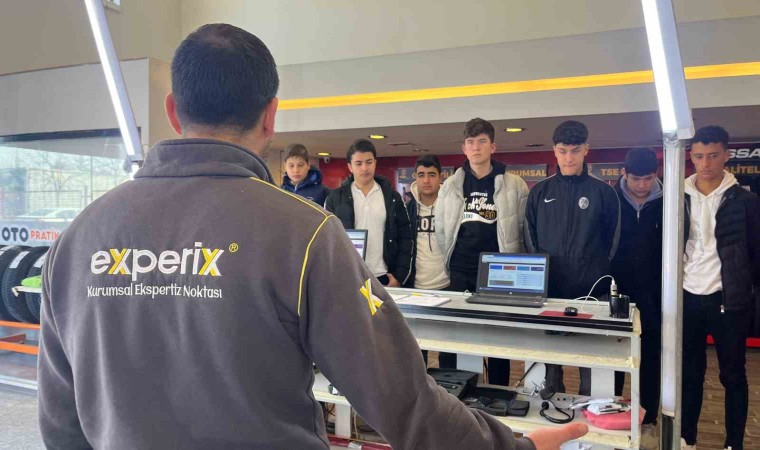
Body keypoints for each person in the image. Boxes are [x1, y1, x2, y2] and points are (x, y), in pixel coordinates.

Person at [37, 23, 587, 450]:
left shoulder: (77, 239)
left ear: (173, 111)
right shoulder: (304, 234)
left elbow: (61, 423)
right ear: (271, 116)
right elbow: (403, 400)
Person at [525, 120, 620, 395]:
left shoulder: (603, 193)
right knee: (548, 372)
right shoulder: (539, 192)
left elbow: (612, 242)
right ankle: (550, 412)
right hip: (550, 294)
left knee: (591, 371)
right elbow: (530, 240)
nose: (569, 158)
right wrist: (542, 283)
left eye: (575, 151)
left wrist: (594, 273)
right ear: (554, 150)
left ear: (586, 150)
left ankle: (588, 416)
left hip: (592, 295)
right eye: (563, 151)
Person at [680, 125, 760, 450]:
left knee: (733, 375)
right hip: (686, 296)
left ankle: (733, 443)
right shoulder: (678, 196)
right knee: (689, 373)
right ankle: (687, 437)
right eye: (699, 156)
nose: (705, 163)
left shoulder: (746, 201)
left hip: (728, 299)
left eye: (713, 156)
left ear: (726, 155)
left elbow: (755, 252)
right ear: (691, 156)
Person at [436, 118, 529, 384]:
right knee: (456, 337)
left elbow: (523, 231)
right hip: (461, 270)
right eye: (471, 142)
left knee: (498, 338)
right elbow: (442, 230)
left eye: (482, 142)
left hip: (498, 272)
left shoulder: (515, 185)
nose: (476, 147)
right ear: (464, 148)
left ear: (492, 147)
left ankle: (498, 391)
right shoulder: (450, 185)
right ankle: (456, 392)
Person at [610, 148, 662, 449]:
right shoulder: (611, 200)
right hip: (617, 291)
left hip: (655, 293)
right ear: (624, 174)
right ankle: (612, 413)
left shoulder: (668, 201)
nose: (642, 185)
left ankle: (649, 420)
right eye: (636, 179)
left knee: (651, 360)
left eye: (648, 179)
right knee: (615, 358)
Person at [325, 139, 413, 287]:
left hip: (384, 277)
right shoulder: (334, 199)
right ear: (350, 167)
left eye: (369, 162)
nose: (364, 168)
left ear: (375, 163)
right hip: (349, 277)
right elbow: (327, 240)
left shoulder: (392, 197)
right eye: (358, 163)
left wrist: (399, 276)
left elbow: (406, 237)